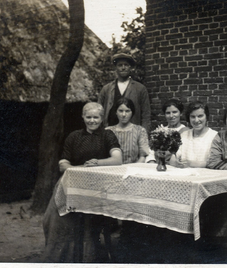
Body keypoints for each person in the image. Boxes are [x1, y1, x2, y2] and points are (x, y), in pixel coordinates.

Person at [42, 102, 122, 263]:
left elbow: (118, 159)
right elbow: (63, 163)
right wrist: (74, 169)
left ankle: (87, 256)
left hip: (98, 187)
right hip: (73, 184)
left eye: (96, 117)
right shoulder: (74, 137)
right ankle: (62, 256)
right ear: (83, 117)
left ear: (102, 118)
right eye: (89, 117)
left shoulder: (108, 135)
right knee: (52, 217)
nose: (92, 120)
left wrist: (97, 163)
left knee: (86, 223)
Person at [98, 52, 151, 133]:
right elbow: (99, 113)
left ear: (130, 67)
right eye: (120, 65)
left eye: (126, 65)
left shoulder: (140, 88)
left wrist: (144, 135)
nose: (123, 68)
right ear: (116, 67)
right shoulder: (106, 89)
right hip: (110, 133)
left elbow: (146, 115)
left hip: (132, 134)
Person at [170, 101, 218, 168]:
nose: (196, 120)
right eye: (193, 117)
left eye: (200, 116)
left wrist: (191, 163)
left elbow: (215, 163)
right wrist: (176, 162)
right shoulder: (184, 135)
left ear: (206, 116)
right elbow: (173, 159)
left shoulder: (215, 136)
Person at [106, 97, 150, 164]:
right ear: (116, 112)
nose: (124, 114)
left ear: (132, 112)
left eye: (127, 111)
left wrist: (132, 169)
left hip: (133, 169)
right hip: (112, 168)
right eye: (120, 111)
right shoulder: (108, 131)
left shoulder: (140, 130)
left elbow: (142, 157)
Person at [146, 99, 189, 164]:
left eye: (174, 112)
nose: (171, 116)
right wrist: (151, 162)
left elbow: (183, 153)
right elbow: (151, 152)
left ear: (181, 113)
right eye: (168, 113)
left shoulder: (186, 131)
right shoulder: (161, 130)